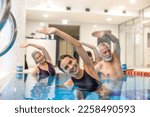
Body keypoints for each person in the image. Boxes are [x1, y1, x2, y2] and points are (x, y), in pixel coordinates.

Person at [37, 27, 111, 100]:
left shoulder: (89, 69)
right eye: (66, 68)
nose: (71, 67)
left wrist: (57, 32)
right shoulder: (69, 83)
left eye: (70, 62)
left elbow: (78, 45)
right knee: (77, 92)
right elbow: (57, 89)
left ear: (75, 59)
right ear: (64, 72)